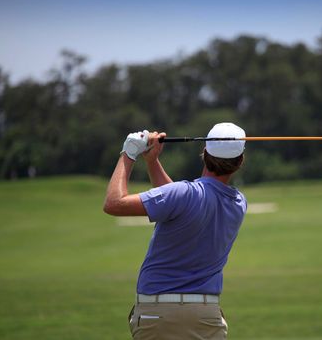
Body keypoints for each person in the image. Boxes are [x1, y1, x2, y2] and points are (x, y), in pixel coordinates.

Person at [103, 123, 247, 340]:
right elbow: (175, 203)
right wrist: (153, 162)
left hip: (157, 314)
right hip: (207, 316)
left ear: (204, 152)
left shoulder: (182, 195)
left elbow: (114, 203)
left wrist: (129, 152)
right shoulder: (238, 203)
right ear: (240, 162)